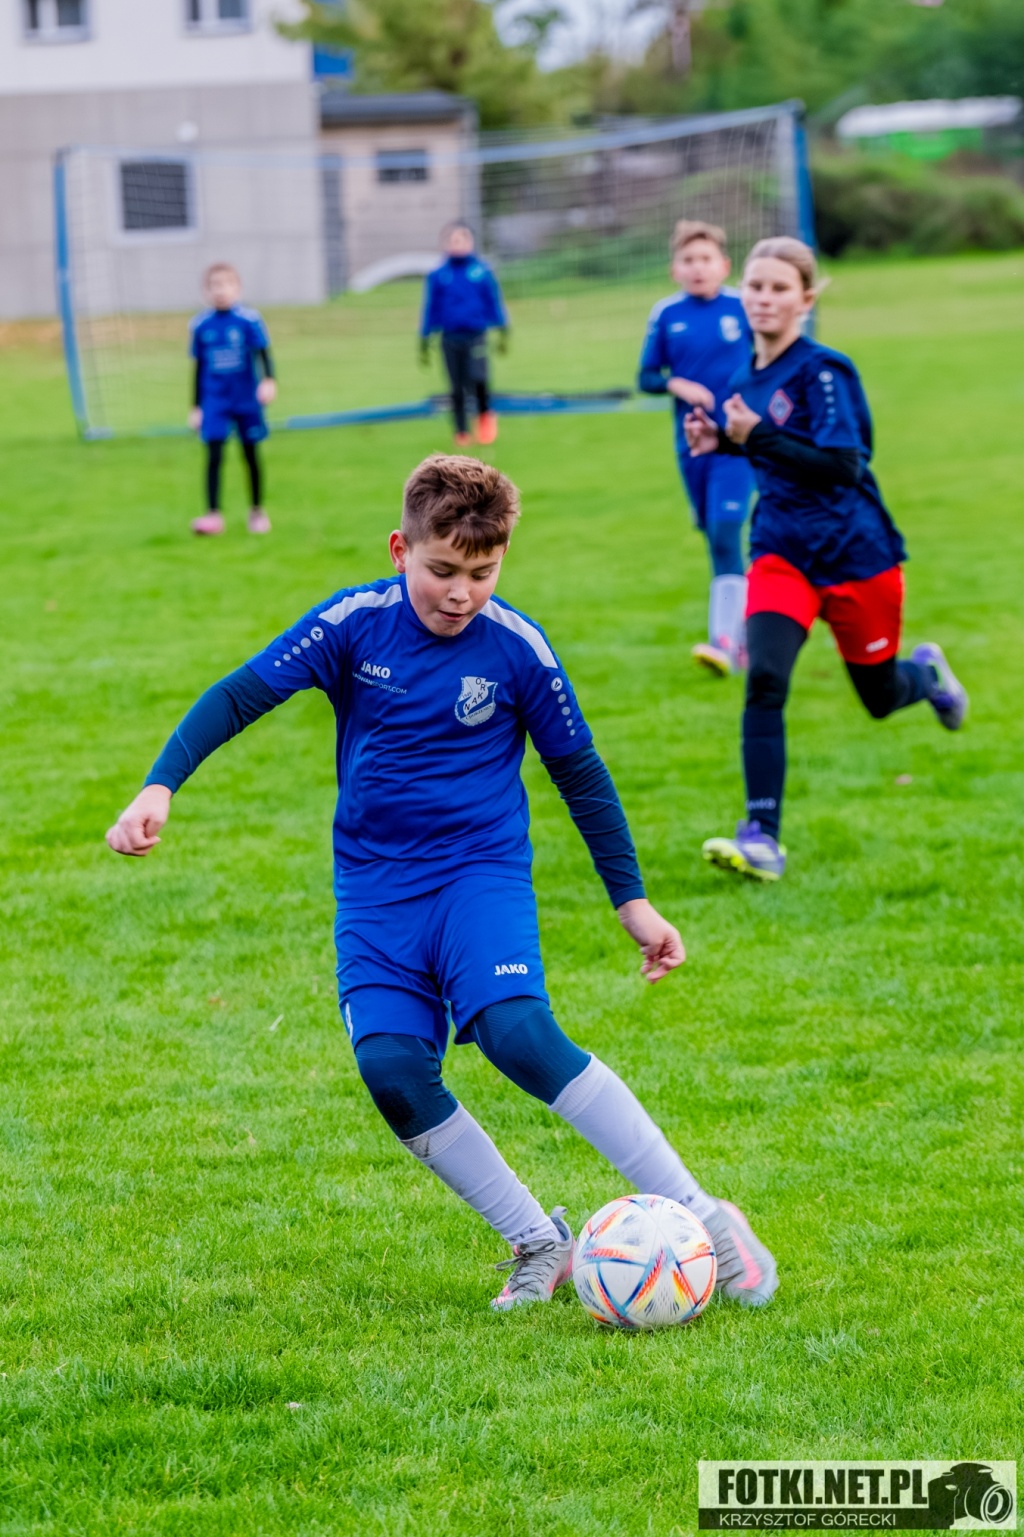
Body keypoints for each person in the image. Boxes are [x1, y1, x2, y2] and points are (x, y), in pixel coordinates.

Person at [106, 454, 777, 1312]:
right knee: (392, 1070)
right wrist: (160, 784)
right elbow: (239, 695)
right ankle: (538, 1239)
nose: (461, 593)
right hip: (376, 889)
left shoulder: (518, 649)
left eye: (482, 573)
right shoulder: (353, 624)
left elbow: (581, 775)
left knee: (518, 1033)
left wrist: (632, 902)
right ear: (400, 549)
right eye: (442, 569)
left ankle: (705, 1215)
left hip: (477, 874)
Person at [685, 237, 967, 882]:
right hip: (781, 551)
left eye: (779, 288)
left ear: (805, 300)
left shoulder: (824, 372)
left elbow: (843, 466)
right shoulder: (744, 377)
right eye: (755, 286)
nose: (764, 298)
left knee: (879, 697)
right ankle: (762, 836)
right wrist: (723, 443)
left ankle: (926, 677)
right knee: (764, 680)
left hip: (855, 556)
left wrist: (756, 435)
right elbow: (770, 450)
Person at [637, 220, 756, 677]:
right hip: (692, 446)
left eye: (706, 259)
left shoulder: (743, 307)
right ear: (675, 269)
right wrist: (678, 384)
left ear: (724, 265)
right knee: (716, 537)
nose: (698, 267)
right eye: (689, 260)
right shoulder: (667, 314)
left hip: (738, 445)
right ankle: (745, 637)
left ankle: (724, 640)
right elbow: (647, 377)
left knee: (726, 533)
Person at [188, 262, 277, 537]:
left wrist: (268, 380)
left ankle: (257, 511)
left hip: (245, 398)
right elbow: (198, 368)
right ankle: (213, 515)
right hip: (215, 400)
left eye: (226, 284)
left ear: (237, 288)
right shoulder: (201, 325)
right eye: (214, 285)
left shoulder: (249, 320)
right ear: (206, 291)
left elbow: (263, 353)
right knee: (214, 455)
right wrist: (195, 406)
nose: (220, 290)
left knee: (250, 454)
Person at [420, 222, 508, 449]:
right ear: (445, 244)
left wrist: (502, 327)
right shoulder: (439, 275)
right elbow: (431, 307)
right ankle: (461, 430)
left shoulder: (481, 271)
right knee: (456, 385)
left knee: (478, 378)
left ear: (470, 242)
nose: (458, 244)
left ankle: (485, 418)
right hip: (450, 336)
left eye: (462, 240)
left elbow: (492, 300)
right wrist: (425, 336)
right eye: (453, 240)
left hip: (476, 334)